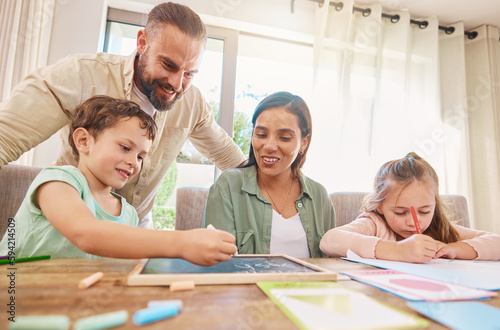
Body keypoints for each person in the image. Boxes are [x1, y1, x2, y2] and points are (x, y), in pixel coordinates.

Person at [0, 2, 246, 226]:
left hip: (133, 228)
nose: (176, 83)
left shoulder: (192, 104)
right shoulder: (81, 75)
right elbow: (4, 138)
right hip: (64, 227)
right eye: (168, 65)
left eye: (190, 73)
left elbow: (237, 165)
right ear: (142, 42)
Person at [0, 96, 237, 266]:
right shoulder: (57, 181)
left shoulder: (129, 214)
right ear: (84, 141)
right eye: (125, 147)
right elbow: (86, 234)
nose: (134, 162)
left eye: (141, 156)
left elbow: (129, 266)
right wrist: (182, 242)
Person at [203, 92, 335, 258]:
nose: (269, 146)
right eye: (261, 135)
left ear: (304, 142)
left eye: (285, 137)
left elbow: (330, 265)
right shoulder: (228, 186)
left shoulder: (319, 196)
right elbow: (218, 265)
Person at [320, 152, 500, 262]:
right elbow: (329, 240)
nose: (414, 221)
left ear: (435, 205)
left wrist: (455, 249)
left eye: (425, 211)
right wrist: (399, 250)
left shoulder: (439, 228)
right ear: (380, 206)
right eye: (400, 212)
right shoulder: (374, 224)